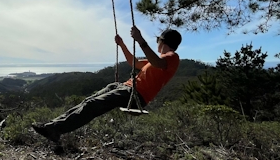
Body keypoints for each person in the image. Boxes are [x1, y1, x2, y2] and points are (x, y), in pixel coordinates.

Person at [32, 26, 182, 143]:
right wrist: (122, 44)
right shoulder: (156, 59)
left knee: (92, 105)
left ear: (162, 41)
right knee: (89, 101)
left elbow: (158, 63)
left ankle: (55, 130)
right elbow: (134, 62)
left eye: (158, 40)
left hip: (135, 95)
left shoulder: (172, 57)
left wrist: (140, 40)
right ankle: (51, 126)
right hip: (125, 87)